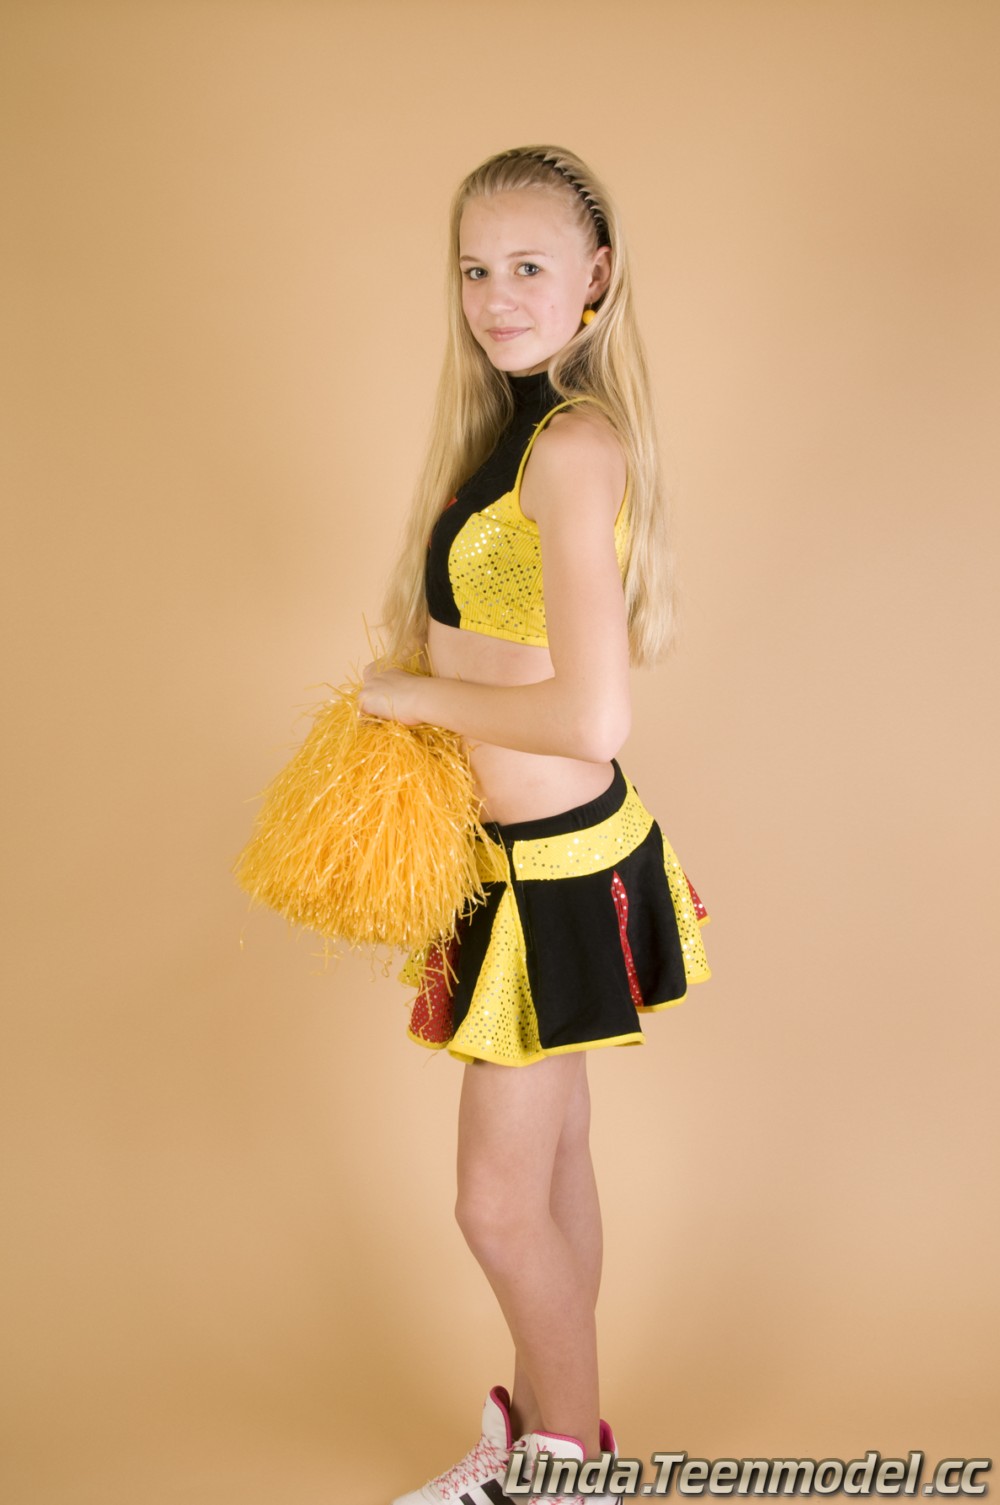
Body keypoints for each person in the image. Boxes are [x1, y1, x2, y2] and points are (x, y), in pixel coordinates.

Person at [358, 145, 711, 1505]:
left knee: (496, 1203)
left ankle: (567, 1467)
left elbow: (591, 716)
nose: (496, 298)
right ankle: (554, 1446)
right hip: (516, 861)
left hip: (559, 870)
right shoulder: (507, 431)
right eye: (474, 269)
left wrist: (408, 693)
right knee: (554, 1171)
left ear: (595, 277)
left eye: (528, 267)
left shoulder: (570, 446)